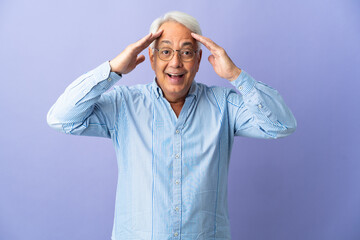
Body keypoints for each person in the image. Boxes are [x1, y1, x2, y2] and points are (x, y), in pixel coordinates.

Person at [47, 11, 296, 240]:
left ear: (198, 60)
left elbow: (281, 125)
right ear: (152, 59)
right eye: (165, 52)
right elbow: (61, 118)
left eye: (186, 52)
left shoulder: (224, 106)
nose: (176, 62)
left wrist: (236, 75)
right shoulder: (124, 105)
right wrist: (113, 69)